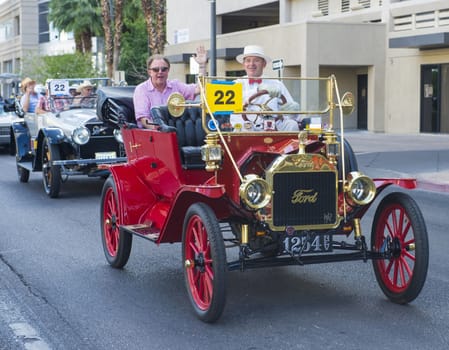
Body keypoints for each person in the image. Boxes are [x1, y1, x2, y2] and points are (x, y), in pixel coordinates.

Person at [133, 46, 208, 129]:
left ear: (168, 70)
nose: (160, 72)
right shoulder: (141, 90)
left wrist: (202, 66)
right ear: (149, 72)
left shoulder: (176, 85)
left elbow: (199, 88)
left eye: (164, 69)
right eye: (156, 69)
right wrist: (160, 129)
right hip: (152, 134)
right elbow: (144, 119)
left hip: (177, 130)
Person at [232, 45, 299, 132]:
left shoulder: (277, 84)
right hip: (247, 126)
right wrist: (257, 91)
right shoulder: (236, 84)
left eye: (256, 60)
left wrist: (293, 109)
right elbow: (235, 103)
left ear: (264, 64)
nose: (251, 64)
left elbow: (291, 112)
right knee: (243, 129)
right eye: (248, 61)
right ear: (243, 64)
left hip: (274, 125)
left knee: (292, 125)